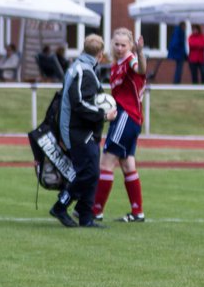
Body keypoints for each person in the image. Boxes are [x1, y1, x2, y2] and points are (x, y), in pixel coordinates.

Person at [50, 34, 114, 228]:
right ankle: (61, 205)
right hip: (77, 130)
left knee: (92, 173)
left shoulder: (80, 67)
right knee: (88, 173)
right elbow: (79, 104)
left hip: (82, 130)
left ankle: (86, 216)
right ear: (101, 54)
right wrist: (104, 115)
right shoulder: (83, 71)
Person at [92, 28, 148, 224]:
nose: (119, 48)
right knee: (127, 164)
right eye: (116, 44)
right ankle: (137, 211)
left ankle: (95, 210)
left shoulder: (131, 59)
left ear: (130, 45)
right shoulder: (116, 65)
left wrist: (140, 53)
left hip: (126, 117)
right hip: (128, 119)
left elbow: (141, 69)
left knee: (106, 162)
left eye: (123, 44)